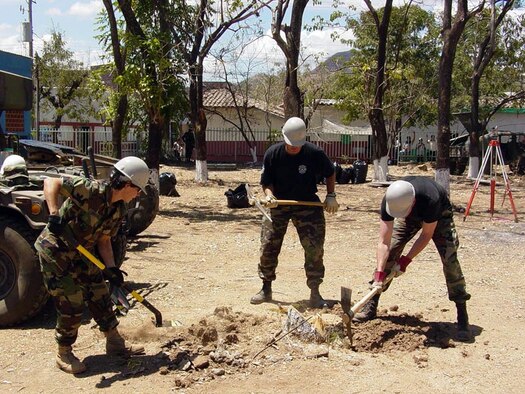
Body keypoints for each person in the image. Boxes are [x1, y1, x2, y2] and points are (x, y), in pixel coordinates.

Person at [34, 156, 149, 374]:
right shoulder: (90, 190)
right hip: (55, 250)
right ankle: (64, 352)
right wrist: (54, 214)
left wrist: (111, 269)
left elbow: (104, 240)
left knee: (99, 291)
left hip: (82, 252)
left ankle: (114, 342)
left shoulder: (117, 210)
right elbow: (51, 182)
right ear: (127, 184)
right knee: (72, 299)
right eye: (138, 189)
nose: (139, 194)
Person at [352, 177, 471, 340]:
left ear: (413, 202)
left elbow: (427, 234)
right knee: (391, 251)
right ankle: (371, 305)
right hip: (410, 215)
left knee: (449, 259)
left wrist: (406, 261)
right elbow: (384, 242)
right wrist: (380, 274)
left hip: (439, 216)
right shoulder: (391, 199)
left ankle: (462, 313)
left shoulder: (431, 199)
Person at [250, 117, 339, 308]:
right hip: (278, 204)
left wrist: (331, 195)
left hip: (307, 204)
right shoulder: (273, 154)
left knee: (314, 248)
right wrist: (269, 196)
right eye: (290, 145)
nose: (293, 148)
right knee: (268, 245)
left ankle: (315, 293)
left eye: (296, 145)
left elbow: (330, 172)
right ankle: (266, 288)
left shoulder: (314, 153)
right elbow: (266, 181)